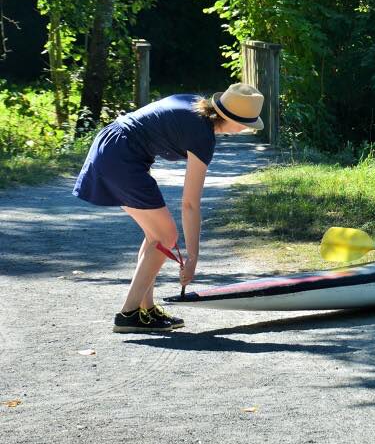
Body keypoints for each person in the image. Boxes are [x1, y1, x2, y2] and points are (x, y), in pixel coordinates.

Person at [73, 83, 264, 333]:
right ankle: (128, 313)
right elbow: (190, 203)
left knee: (156, 236)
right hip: (120, 156)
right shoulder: (203, 136)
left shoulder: (195, 104)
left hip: (113, 145)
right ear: (232, 120)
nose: (245, 130)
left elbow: (149, 127)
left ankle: (146, 309)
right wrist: (193, 257)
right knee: (167, 236)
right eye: (246, 125)